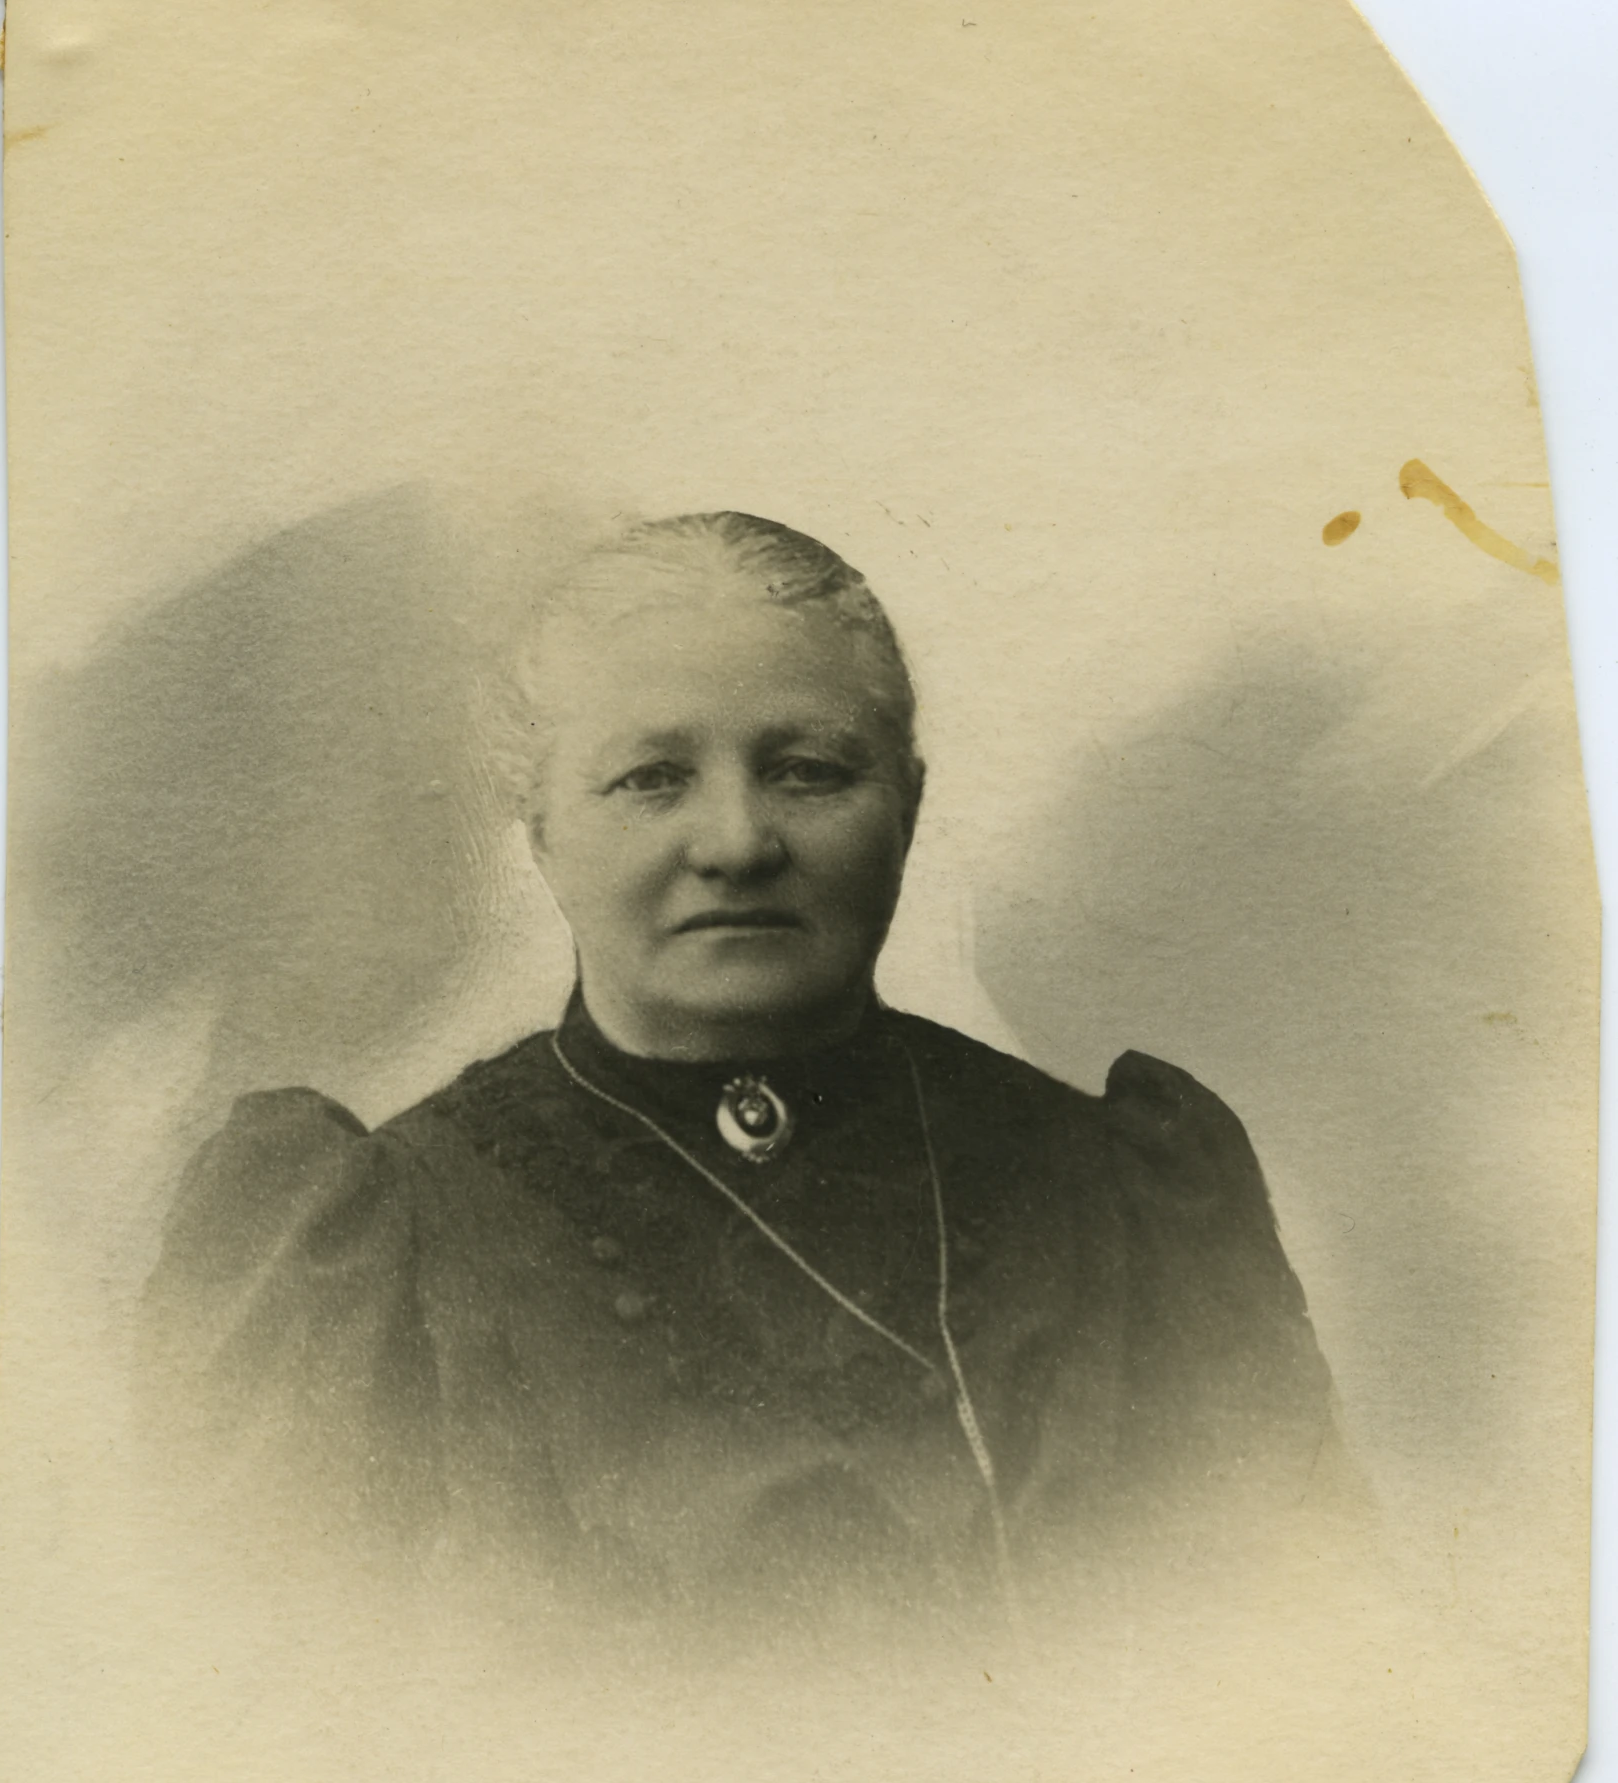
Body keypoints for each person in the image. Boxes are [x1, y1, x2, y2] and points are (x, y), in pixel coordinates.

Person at [140, 512, 1356, 1636]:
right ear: (543, 829)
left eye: (809, 769)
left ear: (909, 805)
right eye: (651, 777)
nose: (735, 843)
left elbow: (1292, 1672)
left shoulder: (1132, 1201)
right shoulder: (373, 1247)